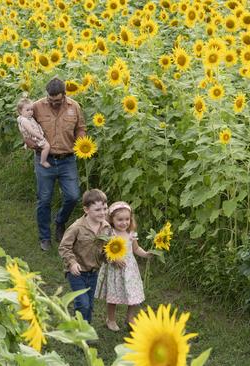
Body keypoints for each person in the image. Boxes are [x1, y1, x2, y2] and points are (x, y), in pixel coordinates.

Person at [28, 77, 86, 251]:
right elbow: (24, 123)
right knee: (44, 199)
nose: (53, 103)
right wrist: (28, 140)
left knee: (73, 196)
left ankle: (60, 222)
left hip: (68, 159)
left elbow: (81, 127)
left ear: (64, 95)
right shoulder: (37, 106)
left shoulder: (74, 107)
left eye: (57, 100)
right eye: (50, 100)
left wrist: (81, 142)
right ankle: (45, 237)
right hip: (44, 159)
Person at [95, 201, 152, 331]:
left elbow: (136, 249)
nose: (124, 222)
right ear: (112, 219)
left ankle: (130, 318)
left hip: (130, 269)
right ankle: (111, 319)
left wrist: (146, 254)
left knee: (134, 294)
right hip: (114, 270)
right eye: (120, 219)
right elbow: (103, 251)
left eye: (127, 219)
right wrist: (114, 259)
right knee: (113, 295)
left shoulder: (131, 233)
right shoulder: (110, 234)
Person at [58, 189, 111, 323]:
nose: (103, 213)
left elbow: (106, 249)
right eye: (98, 210)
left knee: (89, 305)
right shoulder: (77, 227)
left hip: (94, 272)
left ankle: (85, 329)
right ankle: (80, 332)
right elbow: (64, 247)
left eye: (105, 208)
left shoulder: (106, 228)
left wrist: (110, 257)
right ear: (86, 209)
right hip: (77, 272)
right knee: (83, 303)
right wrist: (72, 262)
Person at [17, 97, 51, 168]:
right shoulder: (25, 121)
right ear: (20, 111)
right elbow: (31, 131)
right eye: (27, 110)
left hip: (34, 136)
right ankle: (43, 161)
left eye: (31, 109)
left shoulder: (26, 118)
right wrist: (40, 136)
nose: (30, 111)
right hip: (35, 137)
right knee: (47, 147)